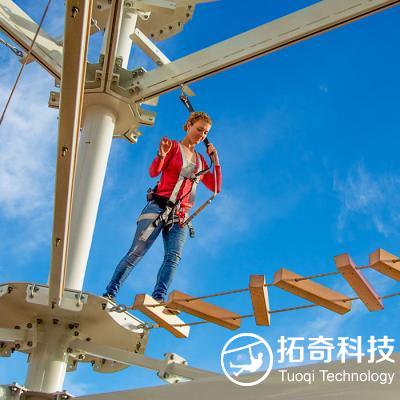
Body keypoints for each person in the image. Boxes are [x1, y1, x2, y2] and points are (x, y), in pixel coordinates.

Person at [103, 111, 221, 306]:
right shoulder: (173, 147)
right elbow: (153, 172)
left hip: (180, 216)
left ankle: (159, 297)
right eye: (199, 129)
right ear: (189, 125)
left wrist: (215, 160)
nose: (201, 135)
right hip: (158, 207)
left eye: (205, 133)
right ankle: (109, 293)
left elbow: (216, 187)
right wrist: (161, 155)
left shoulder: (201, 161)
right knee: (136, 252)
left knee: (173, 257)